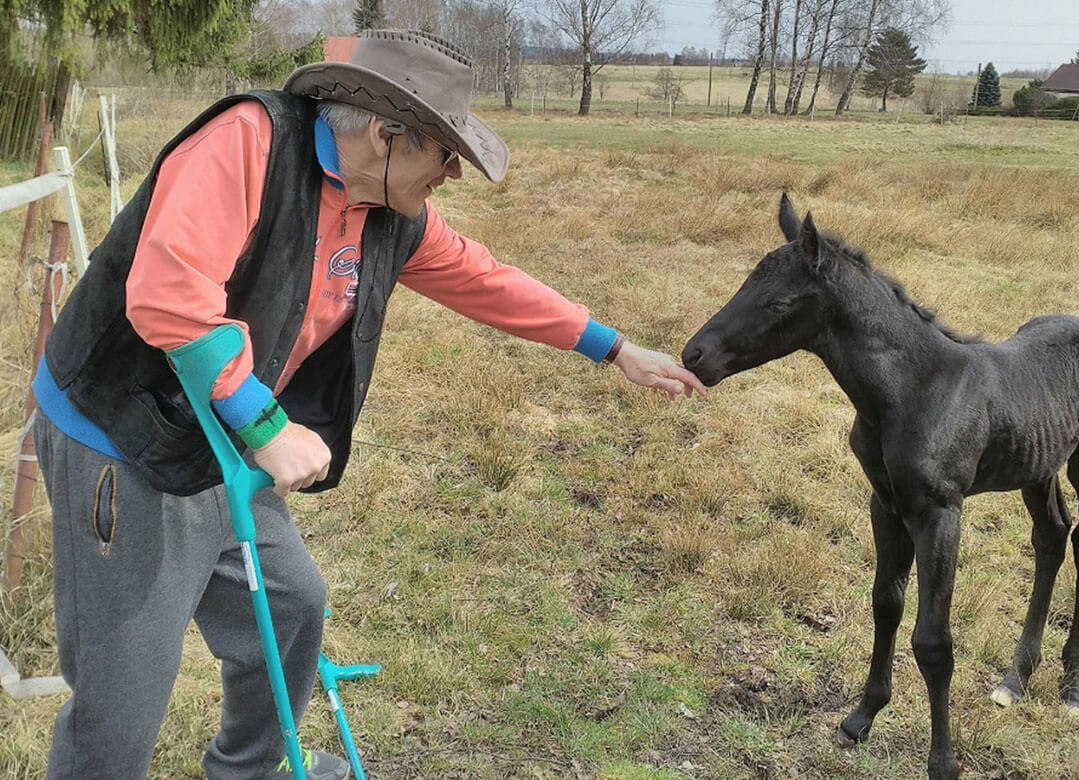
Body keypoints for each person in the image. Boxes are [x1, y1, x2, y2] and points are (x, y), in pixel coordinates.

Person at [32, 29, 706, 780]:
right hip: (126, 437)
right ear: (387, 134)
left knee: (292, 609)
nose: (450, 173)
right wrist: (265, 423)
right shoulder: (247, 144)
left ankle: (251, 767)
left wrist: (612, 348)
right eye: (443, 153)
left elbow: (484, 278)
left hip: (224, 435)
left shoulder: (389, 211)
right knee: (123, 698)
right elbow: (169, 299)